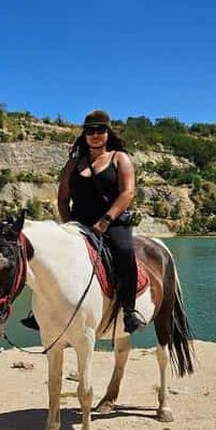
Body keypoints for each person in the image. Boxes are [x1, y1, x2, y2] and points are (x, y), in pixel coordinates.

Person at [56, 109, 145, 333]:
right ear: (84, 134)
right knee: (50, 256)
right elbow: (63, 199)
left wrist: (105, 221)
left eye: (100, 130)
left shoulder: (119, 158)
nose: (95, 135)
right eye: (90, 131)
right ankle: (42, 312)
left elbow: (127, 193)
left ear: (108, 132)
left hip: (112, 223)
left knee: (124, 251)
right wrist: (68, 225)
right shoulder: (72, 165)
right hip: (79, 225)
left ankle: (129, 311)